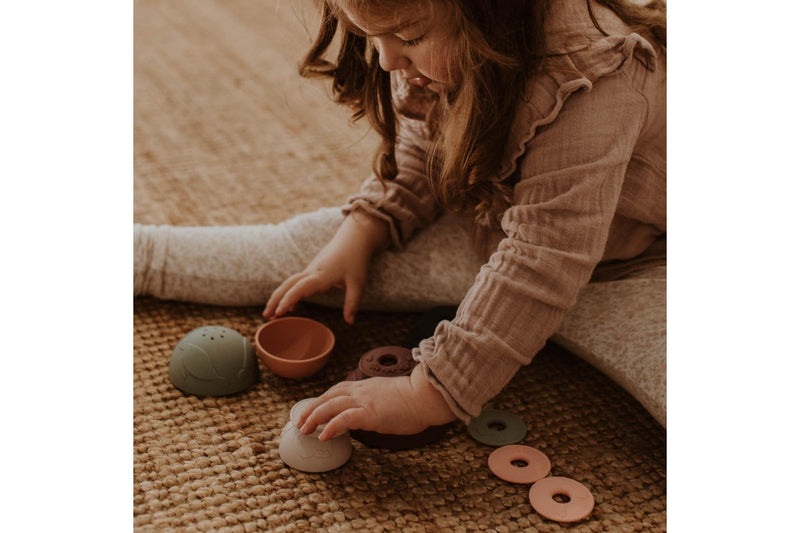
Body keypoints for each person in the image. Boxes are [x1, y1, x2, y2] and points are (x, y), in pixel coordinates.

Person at [135, 0, 667, 438]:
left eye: (407, 37)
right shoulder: (437, 45)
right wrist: (367, 226)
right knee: (311, 255)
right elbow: (428, 150)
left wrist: (430, 393)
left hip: (635, 268)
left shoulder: (601, 75)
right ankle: (141, 256)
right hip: (495, 228)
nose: (387, 61)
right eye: (371, 36)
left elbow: (544, 255)